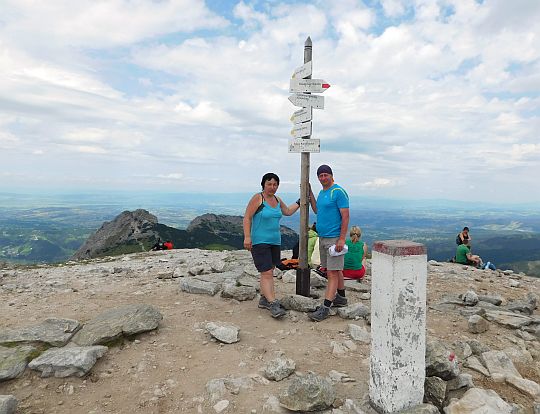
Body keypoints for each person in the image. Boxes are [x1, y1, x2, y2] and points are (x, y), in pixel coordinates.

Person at [243, 172, 301, 318]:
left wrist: (300, 202)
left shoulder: (277, 199)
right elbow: (247, 217)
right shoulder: (258, 198)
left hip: (275, 241)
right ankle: (273, 303)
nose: (272, 187)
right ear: (263, 184)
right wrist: (247, 237)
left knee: (269, 270)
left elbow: (287, 211)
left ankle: (264, 299)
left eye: (275, 184)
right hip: (259, 241)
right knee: (267, 272)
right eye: (269, 184)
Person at [307, 164, 350, 321]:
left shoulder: (338, 192)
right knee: (335, 269)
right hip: (323, 237)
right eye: (321, 175)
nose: (323, 178)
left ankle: (325, 307)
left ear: (332, 175)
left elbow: (345, 216)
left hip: (334, 238)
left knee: (331, 273)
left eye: (326, 175)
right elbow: (317, 209)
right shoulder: (323, 192)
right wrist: (309, 192)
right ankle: (341, 298)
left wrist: (342, 238)